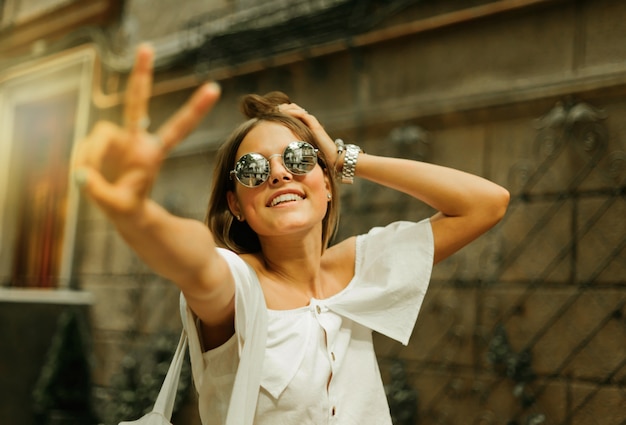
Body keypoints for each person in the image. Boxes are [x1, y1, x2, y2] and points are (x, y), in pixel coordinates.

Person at [74, 44, 510, 425]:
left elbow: (486, 203)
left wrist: (343, 158)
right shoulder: (239, 285)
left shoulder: (361, 266)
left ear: (325, 184)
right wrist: (138, 217)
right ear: (236, 205)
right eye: (253, 169)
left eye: (299, 158)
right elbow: (197, 264)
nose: (279, 173)